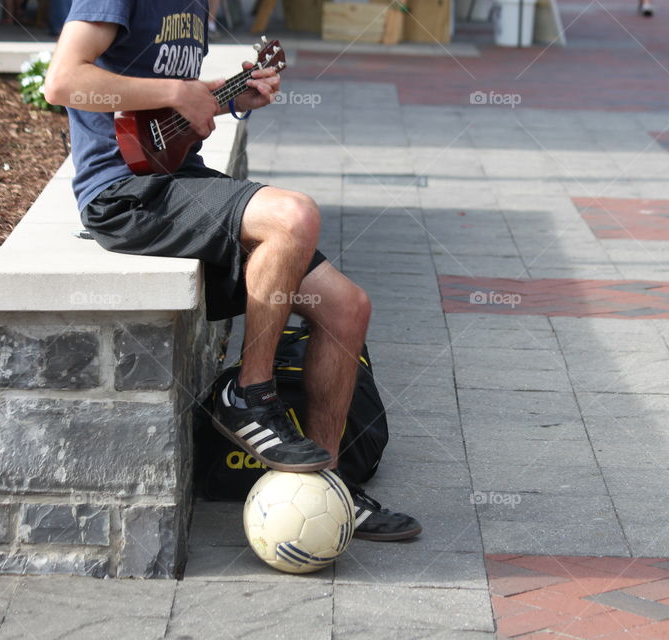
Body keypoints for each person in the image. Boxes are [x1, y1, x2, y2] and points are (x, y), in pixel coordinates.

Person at [44, 0, 421, 541]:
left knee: (346, 307)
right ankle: (249, 393)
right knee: (293, 214)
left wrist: (223, 98)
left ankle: (328, 486)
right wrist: (177, 91)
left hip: (179, 179)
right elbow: (63, 82)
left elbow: (157, 119)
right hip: (125, 194)